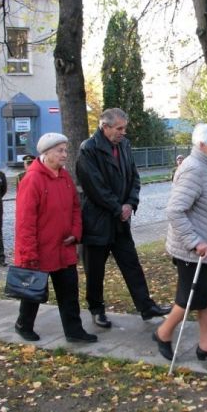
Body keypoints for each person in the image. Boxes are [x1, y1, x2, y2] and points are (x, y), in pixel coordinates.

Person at [77, 108, 171, 329]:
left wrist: (130, 203)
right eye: (119, 128)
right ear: (105, 127)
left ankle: (146, 307)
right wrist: (117, 207)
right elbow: (94, 187)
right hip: (98, 221)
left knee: (131, 264)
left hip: (120, 220)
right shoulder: (88, 149)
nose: (123, 132)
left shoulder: (124, 145)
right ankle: (96, 309)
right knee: (95, 270)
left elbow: (134, 178)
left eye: (124, 128)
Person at [153, 123, 207, 364]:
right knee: (189, 299)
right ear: (201, 145)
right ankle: (162, 333)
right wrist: (195, 241)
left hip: (205, 247)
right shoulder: (194, 169)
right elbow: (175, 211)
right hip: (192, 250)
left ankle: (206, 345)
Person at [13, 133, 97, 343]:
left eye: (65, 150)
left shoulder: (64, 176)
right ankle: (23, 324)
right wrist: (29, 254)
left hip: (64, 247)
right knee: (33, 292)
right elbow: (25, 221)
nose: (65, 155)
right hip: (40, 250)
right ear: (46, 153)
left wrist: (75, 233)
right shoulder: (32, 179)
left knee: (69, 292)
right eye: (60, 150)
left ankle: (74, 331)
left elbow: (76, 208)